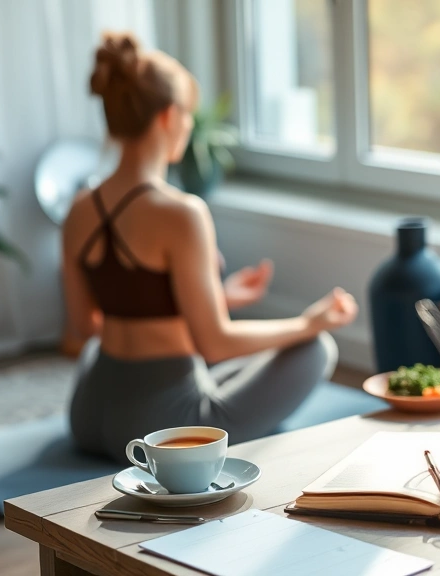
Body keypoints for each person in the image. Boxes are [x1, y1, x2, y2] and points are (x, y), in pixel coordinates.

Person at [62, 33, 358, 464]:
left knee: (203, 358)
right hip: (160, 427)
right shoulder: (182, 212)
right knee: (315, 350)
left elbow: (84, 325)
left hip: (89, 414)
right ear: (167, 117)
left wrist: (216, 297)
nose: (188, 124)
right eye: (187, 114)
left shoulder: (78, 208)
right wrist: (308, 322)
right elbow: (215, 343)